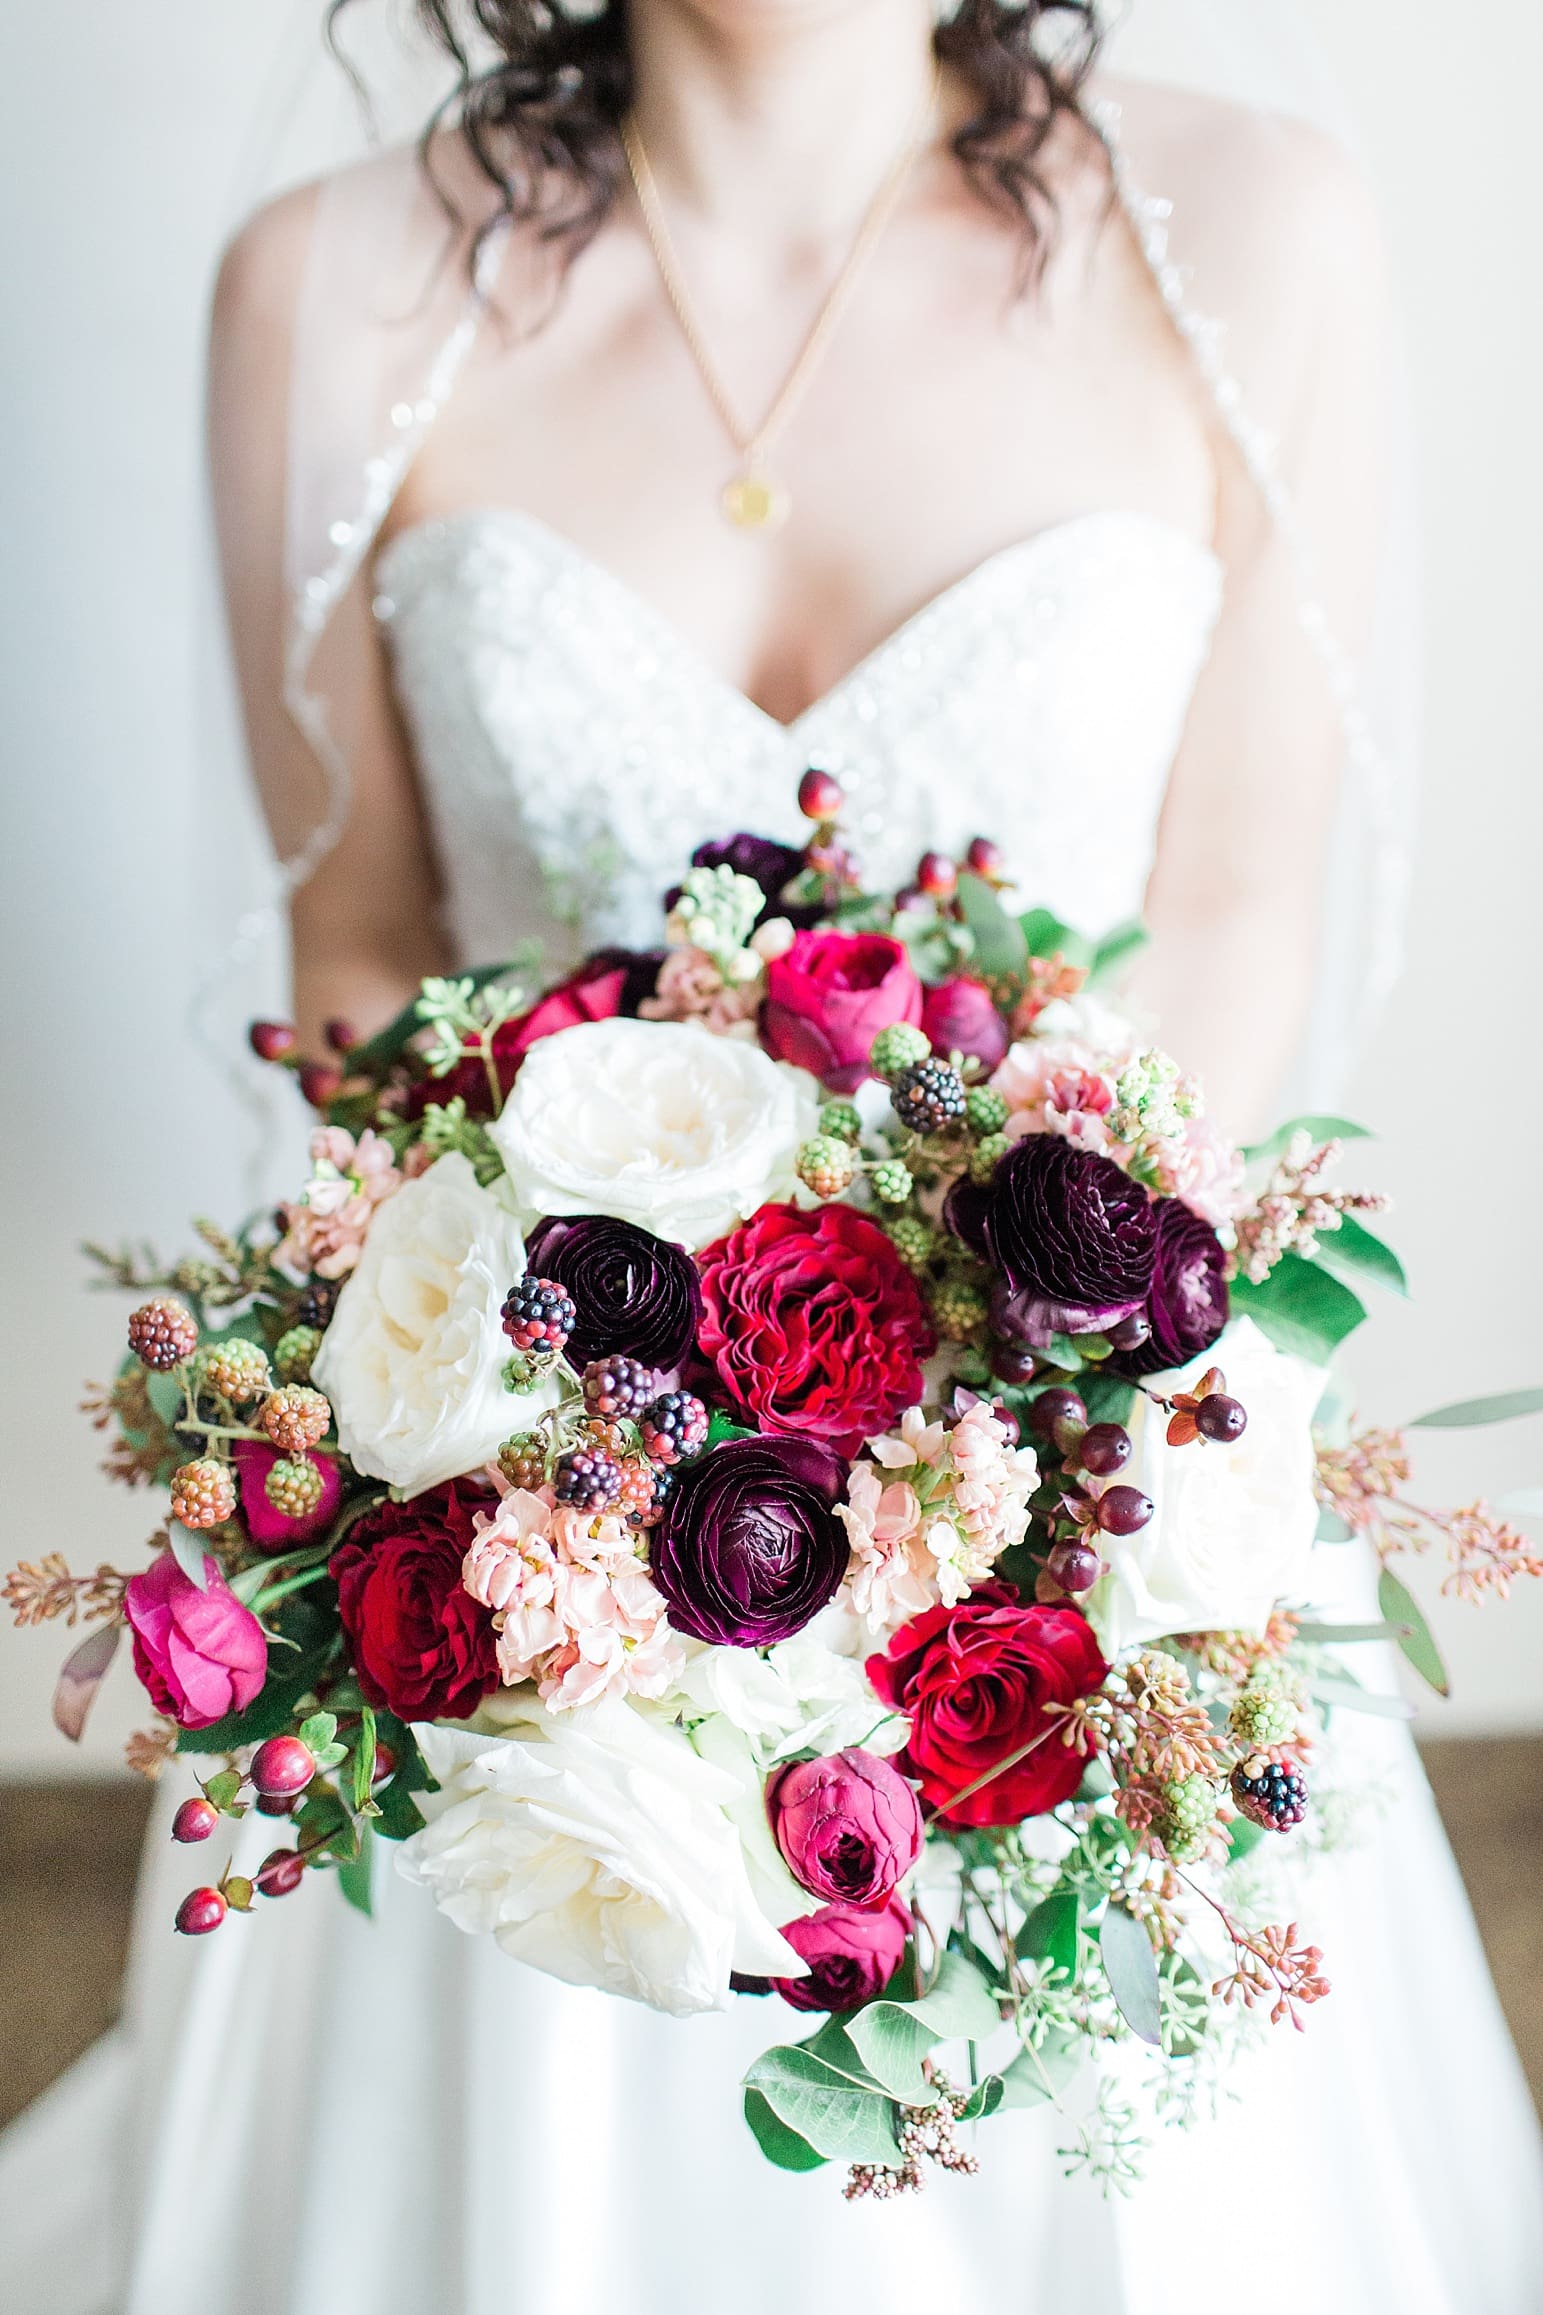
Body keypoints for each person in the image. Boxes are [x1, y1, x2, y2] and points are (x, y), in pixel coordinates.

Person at [4, 2, 1539, 2309]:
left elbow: (1235, 896)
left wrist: (1023, 1438)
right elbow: (366, 934)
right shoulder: (330, 285)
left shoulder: (1246, 227)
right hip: (531, 1535)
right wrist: (548, 1502)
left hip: (1078, 1464)